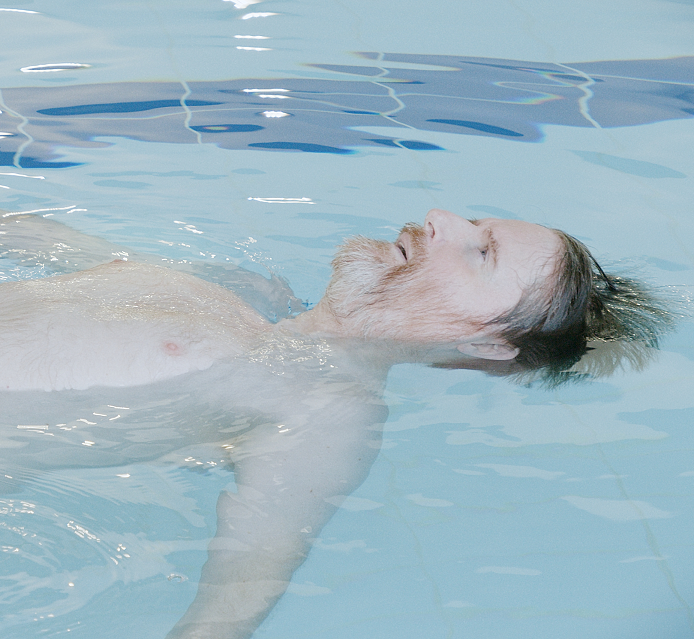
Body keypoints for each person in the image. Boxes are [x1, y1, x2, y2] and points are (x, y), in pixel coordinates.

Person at [0, 208, 672, 639]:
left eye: (481, 253)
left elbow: (229, 607)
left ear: (491, 344)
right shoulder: (217, 292)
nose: (439, 219)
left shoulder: (329, 409)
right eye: (471, 222)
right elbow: (31, 231)